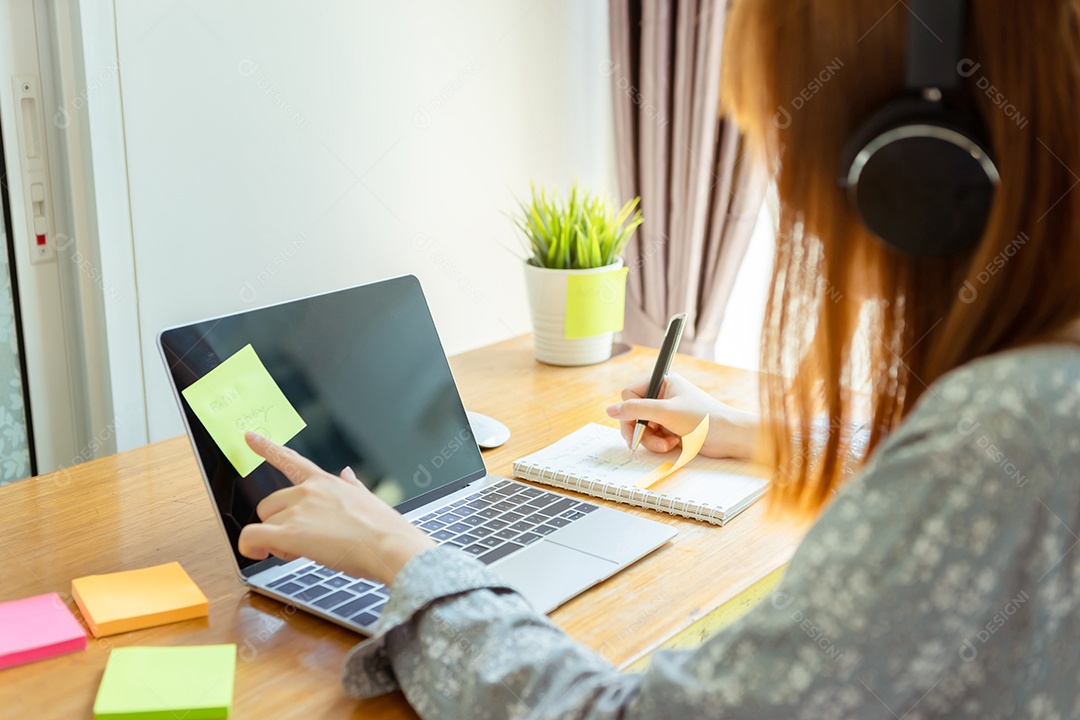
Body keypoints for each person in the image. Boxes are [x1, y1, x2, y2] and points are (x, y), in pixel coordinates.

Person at [238, 0, 1080, 716]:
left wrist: (408, 559)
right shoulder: (1038, 400)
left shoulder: (1010, 428)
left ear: (917, 171)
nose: (791, 202)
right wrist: (750, 430)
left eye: (787, 144)